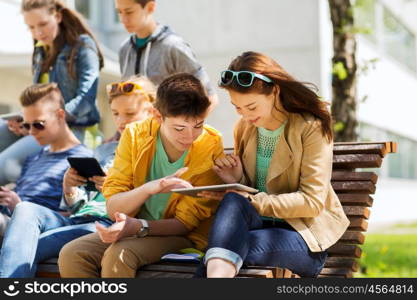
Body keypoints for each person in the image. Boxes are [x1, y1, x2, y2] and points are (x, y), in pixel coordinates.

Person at [194, 51, 350, 278]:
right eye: (237, 107)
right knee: (230, 218)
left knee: (222, 249)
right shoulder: (245, 128)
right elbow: (254, 193)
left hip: (302, 237)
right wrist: (236, 181)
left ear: (274, 91)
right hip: (258, 227)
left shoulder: (310, 127)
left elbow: (312, 201)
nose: (245, 116)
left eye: (252, 107)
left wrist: (251, 200)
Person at [58, 73, 224, 278]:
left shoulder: (210, 144)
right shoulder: (135, 134)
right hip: (132, 228)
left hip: (181, 236)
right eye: (179, 128)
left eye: (198, 125)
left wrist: (139, 227)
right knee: (72, 254)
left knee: (119, 255)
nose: (190, 136)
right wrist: (149, 189)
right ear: (156, 115)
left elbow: (185, 224)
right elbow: (114, 208)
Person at [0, 77, 156, 278]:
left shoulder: (151, 151)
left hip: (104, 223)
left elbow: (148, 204)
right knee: (25, 209)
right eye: (116, 114)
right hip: (77, 219)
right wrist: (69, 189)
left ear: (152, 112)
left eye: (130, 114)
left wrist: (113, 188)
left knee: (22, 245)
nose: (121, 121)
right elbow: (76, 207)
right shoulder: (104, 150)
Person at [0, 0, 104, 185]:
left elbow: (86, 101)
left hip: (72, 129)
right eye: (31, 27)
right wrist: (26, 122)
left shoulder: (82, 46)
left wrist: (45, 122)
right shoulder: (40, 51)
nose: (38, 32)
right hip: (41, 124)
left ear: (57, 16)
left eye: (43, 24)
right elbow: (38, 101)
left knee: (5, 164)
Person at [0, 83, 92, 242]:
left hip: (33, 227)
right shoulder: (35, 157)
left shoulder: (82, 160)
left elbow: (78, 217)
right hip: (10, 220)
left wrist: (20, 208)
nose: (31, 132)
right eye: (27, 125)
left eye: (38, 124)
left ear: (60, 115)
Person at [115, 0, 219, 109]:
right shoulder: (124, 49)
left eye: (129, 12)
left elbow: (210, 97)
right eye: (119, 12)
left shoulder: (173, 46)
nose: (123, 19)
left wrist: (188, 126)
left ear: (150, 7)